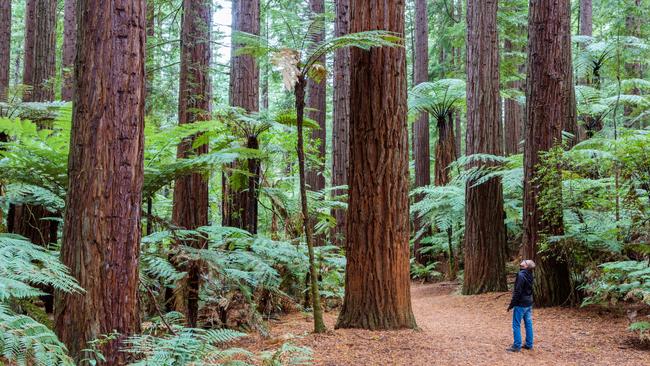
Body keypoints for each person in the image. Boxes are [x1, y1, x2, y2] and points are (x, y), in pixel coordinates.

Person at [506, 259, 535, 352]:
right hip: (528, 303)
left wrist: (512, 304)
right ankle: (529, 344)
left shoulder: (521, 275)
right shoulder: (530, 274)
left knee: (516, 324)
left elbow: (518, 291)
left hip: (521, 304)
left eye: (525, 261)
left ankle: (516, 346)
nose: (523, 261)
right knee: (528, 324)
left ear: (526, 266)